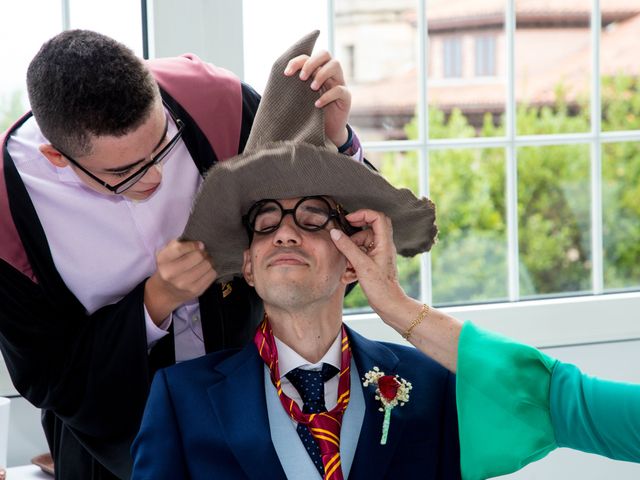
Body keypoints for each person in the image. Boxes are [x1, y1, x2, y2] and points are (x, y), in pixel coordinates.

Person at [0, 29, 362, 479]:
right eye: (123, 172)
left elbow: (337, 232)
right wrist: (155, 302)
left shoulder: (216, 103)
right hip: (116, 447)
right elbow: (49, 375)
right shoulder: (7, 213)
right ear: (57, 157)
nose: (154, 177)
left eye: (162, 146)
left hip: (261, 404)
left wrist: (339, 140)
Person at [131, 31, 459, 480]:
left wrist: (399, 307)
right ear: (247, 265)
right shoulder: (181, 399)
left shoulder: (432, 383)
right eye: (265, 222)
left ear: (353, 259)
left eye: (312, 216)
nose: (284, 233)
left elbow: (535, 395)